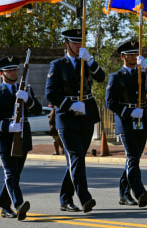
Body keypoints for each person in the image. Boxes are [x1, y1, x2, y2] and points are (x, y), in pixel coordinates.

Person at [45, 28, 105, 213]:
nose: (79, 46)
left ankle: (65, 199)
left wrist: (91, 61)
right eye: (75, 43)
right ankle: (85, 198)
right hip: (67, 117)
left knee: (76, 160)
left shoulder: (86, 62)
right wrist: (68, 105)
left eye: (81, 42)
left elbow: (101, 77)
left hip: (86, 115)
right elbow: (50, 93)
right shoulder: (58, 65)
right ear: (66, 45)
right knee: (77, 157)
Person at [0, 55, 42, 220]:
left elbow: (37, 109)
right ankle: (18, 204)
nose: (14, 72)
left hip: (22, 137)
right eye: (9, 70)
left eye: (15, 69)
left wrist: (28, 100)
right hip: (5, 139)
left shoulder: (25, 89)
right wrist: (6, 126)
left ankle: (4, 205)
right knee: (10, 173)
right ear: (1, 74)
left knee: (16, 174)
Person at [105, 39, 147, 208]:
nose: (134, 56)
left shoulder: (142, 74)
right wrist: (129, 112)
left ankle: (123, 193)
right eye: (130, 54)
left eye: (136, 53)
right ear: (123, 57)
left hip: (142, 119)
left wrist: (146, 68)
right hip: (126, 121)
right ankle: (139, 192)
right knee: (132, 157)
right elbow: (110, 102)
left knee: (134, 159)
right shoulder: (116, 77)